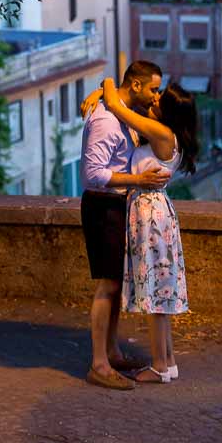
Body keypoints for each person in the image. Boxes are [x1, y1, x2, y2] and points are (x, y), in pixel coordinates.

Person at [86, 77, 199, 385]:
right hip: (153, 213)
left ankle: (160, 366)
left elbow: (117, 107)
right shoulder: (163, 136)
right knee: (161, 289)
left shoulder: (162, 133)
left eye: (159, 100)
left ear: (169, 114)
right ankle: (169, 362)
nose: (153, 100)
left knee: (155, 292)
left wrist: (106, 83)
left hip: (150, 216)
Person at [79, 60, 170, 391]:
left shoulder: (121, 112)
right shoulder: (105, 120)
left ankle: (112, 351)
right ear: (135, 86)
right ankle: (99, 364)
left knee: (115, 283)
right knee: (107, 285)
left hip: (118, 205)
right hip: (103, 206)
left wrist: (102, 88)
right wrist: (139, 180)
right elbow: (93, 175)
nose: (155, 96)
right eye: (152, 89)